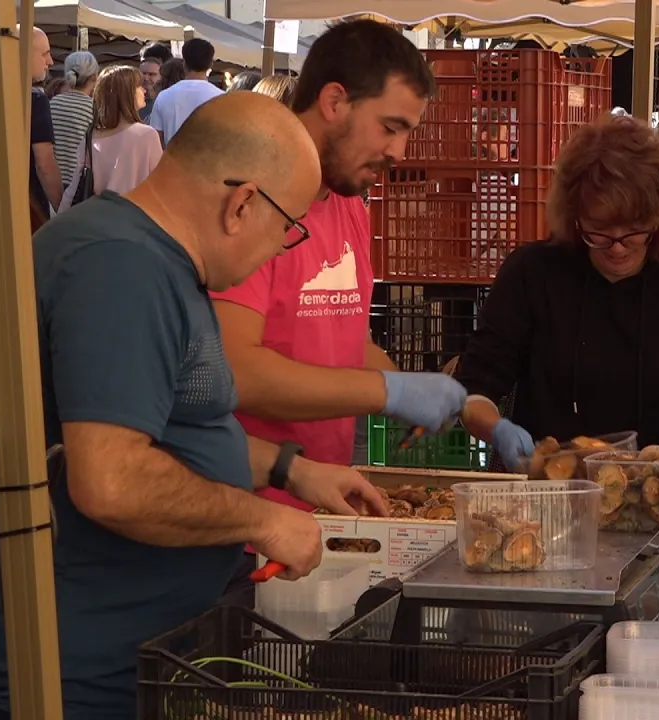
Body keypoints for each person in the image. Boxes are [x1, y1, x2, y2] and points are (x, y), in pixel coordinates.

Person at [0, 93, 390, 720]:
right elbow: (112, 480)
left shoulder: (158, 261)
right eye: (290, 227)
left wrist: (289, 470)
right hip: (71, 678)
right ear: (242, 203)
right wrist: (263, 521)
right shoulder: (120, 268)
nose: (285, 248)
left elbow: (165, 426)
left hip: (139, 658)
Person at [211, 21, 465, 604]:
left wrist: (415, 385)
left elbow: (340, 339)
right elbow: (235, 373)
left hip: (322, 522)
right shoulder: (258, 202)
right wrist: (385, 393)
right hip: (244, 528)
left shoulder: (349, 203)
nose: (399, 152)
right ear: (334, 101)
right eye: (391, 127)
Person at [454, 115, 659, 468]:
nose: (616, 248)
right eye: (598, 232)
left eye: (633, 231)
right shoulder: (531, 273)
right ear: (574, 216)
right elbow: (473, 389)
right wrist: (497, 430)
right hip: (545, 494)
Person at [60, 66, 162, 209]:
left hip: (97, 219)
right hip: (133, 221)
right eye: (138, 86)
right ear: (126, 93)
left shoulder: (90, 136)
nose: (144, 90)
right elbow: (159, 186)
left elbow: (74, 188)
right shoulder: (146, 135)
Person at [148, 38, 222, 144]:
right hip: (210, 159)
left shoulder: (164, 96)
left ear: (184, 63)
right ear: (210, 64)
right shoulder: (222, 98)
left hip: (172, 158)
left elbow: (156, 140)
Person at [50, 50, 99, 193]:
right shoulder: (94, 109)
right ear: (95, 77)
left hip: (51, 181)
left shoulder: (52, 103)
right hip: (79, 184)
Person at [27, 26, 62, 222]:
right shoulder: (35, 99)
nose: (50, 61)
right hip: (30, 210)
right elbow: (45, 164)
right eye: (45, 54)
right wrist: (63, 210)